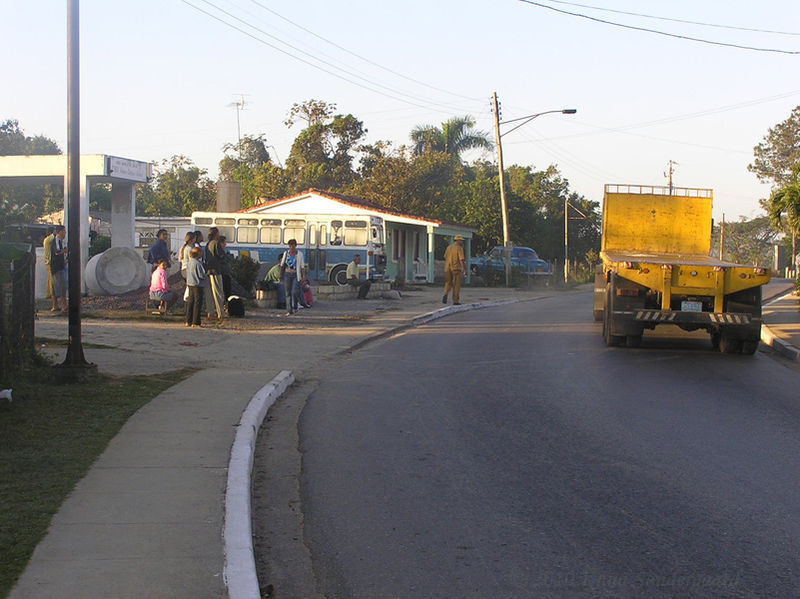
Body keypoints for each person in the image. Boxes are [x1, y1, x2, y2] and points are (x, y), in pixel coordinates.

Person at [204, 227, 225, 321]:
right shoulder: (216, 243)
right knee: (218, 292)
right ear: (216, 234)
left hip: (208, 270)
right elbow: (221, 256)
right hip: (216, 270)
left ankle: (210, 312)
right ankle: (220, 313)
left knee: (209, 293)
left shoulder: (207, 244)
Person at [280, 238, 305, 315]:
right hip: (287, 274)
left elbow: (302, 266)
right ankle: (289, 310)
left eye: (293, 246)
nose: (292, 247)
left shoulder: (299, 254)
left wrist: (303, 276)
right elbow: (282, 265)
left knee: (294, 292)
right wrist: (280, 275)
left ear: (296, 246)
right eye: (290, 246)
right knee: (287, 293)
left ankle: (295, 306)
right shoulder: (286, 254)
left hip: (295, 275)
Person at [185, 246, 206, 327]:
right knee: (197, 303)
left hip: (190, 283)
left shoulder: (189, 262)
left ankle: (188, 320)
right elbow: (201, 275)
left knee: (190, 302)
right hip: (198, 284)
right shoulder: (198, 263)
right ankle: (196, 322)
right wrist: (205, 276)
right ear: (199, 254)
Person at [443, 235, 466, 305]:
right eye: (461, 240)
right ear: (457, 241)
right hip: (456, 269)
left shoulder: (448, 248)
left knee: (448, 283)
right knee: (456, 285)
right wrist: (465, 269)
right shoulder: (459, 248)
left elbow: (445, 256)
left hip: (447, 268)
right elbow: (461, 259)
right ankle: (455, 300)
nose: (462, 242)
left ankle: (445, 294)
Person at [49, 225, 68, 312]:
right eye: (64, 231)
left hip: (57, 266)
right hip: (57, 267)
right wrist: (64, 251)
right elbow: (57, 252)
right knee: (61, 286)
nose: (65, 233)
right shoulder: (56, 240)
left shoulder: (60, 241)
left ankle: (55, 305)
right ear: (59, 232)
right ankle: (64, 306)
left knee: (54, 286)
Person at [219, 235, 233, 306]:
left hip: (227, 273)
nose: (225, 244)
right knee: (225, 290)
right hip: (223, 273)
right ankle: (225, 305)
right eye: (224, 242)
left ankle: (228, 306)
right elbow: (225, 260)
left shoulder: (225, 251)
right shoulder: (220, 252)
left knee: (228, 290)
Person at [42, 226, 54, 299]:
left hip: (47, 261)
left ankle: (48, 293)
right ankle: (52, 293)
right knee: (51, 279)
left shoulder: (46, 240)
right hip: (49, 261)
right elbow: (54, 236)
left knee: (49, 278)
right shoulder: (49, 239)